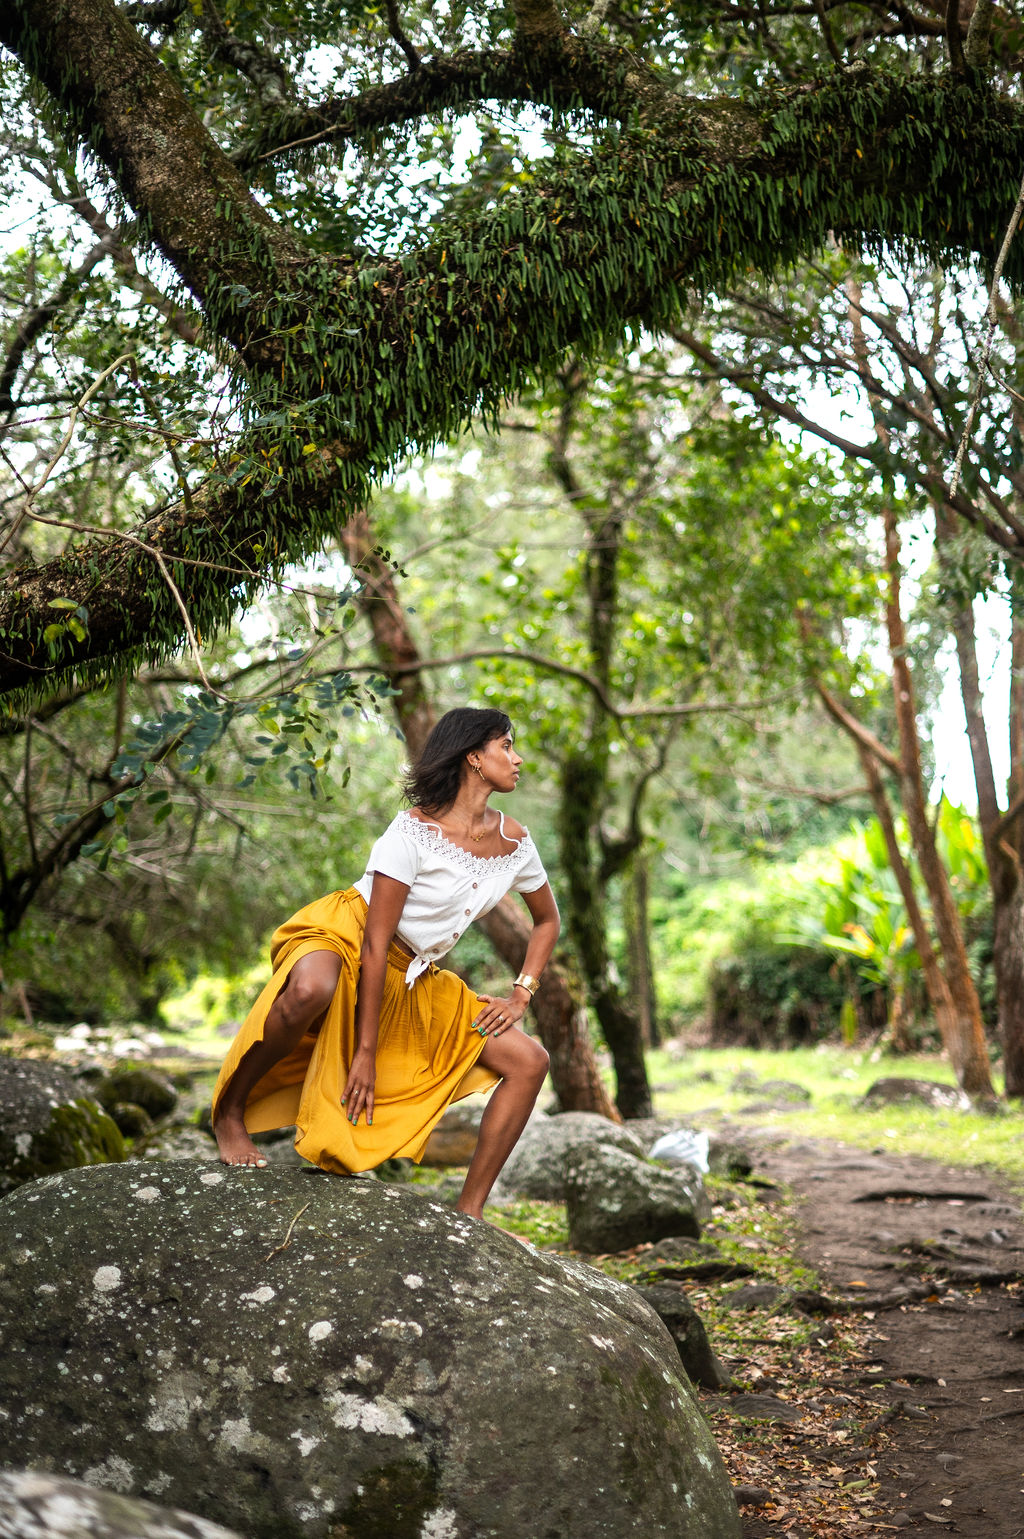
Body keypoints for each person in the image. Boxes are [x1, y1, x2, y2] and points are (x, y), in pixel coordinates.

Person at [211, 707, 560, 1223]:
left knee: (530, 1062)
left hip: (414, 972)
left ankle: (470, 1212)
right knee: (311, 990)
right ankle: (230, 1112)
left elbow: (548, 921)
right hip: (348, 933)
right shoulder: (412, 833)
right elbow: (374, 944)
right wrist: (365, 1053)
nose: (518, 758)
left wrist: (521, 993)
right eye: (506, 746)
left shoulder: (514, 843)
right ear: (474, 758)